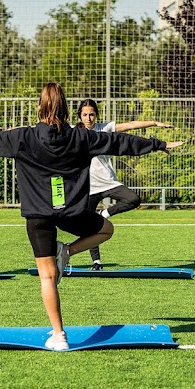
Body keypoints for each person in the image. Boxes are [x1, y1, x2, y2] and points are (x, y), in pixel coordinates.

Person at [0, 83, 182, 350]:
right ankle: (68, 251)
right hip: (70, 211)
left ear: (39, 107)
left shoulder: (23, 137)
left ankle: (59, 334)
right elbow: (119, 143)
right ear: (68, 110)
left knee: (47, 277)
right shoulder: (82, 137)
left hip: (39, 216)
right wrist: (157, 144)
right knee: (106, 229)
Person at [75, 98, 172, 270]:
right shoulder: (73, 132)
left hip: (108, 182)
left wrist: (154, 123)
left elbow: (131, 125)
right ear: (79, 116)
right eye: (85, 115)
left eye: (91, 114)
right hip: (87, 187)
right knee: (89, 228)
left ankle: (104, 213)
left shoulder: (103, 128)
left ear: (96, 115)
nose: (88, 118)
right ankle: (96, 262)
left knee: (133, 199)